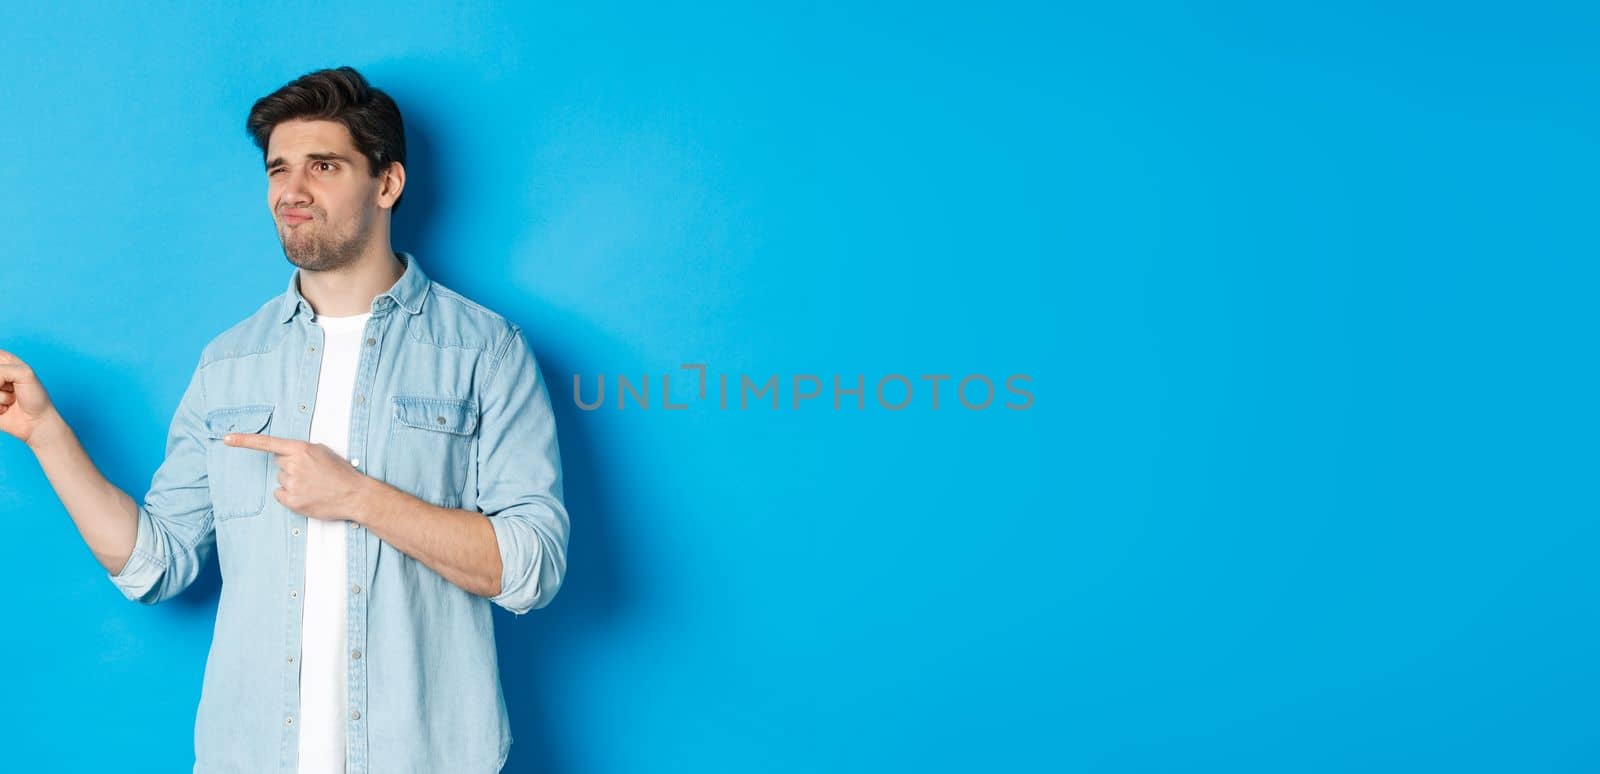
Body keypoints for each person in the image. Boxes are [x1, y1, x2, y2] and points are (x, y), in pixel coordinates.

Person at [0, 66, 569, 773]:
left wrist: (357, 496)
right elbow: (155, 565)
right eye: (278, 170)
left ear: (387, 183)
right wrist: (45, 432)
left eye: (323, 166)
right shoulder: (229, 363)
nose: (291, 193)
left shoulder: (485, 352)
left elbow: (532, 566)